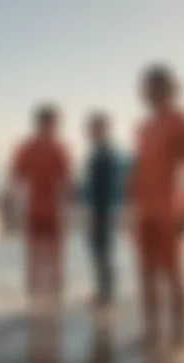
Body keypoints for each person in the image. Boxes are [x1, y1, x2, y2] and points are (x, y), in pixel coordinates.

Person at [128, 64, 184, 360]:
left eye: (155, 87)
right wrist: (129, 208)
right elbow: (139, 169)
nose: (148, 93)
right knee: (145, 273)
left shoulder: (182, 121)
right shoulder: (145, 126)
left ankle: (180, 339)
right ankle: (151, 332)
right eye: (146, 87)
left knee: (173, 275)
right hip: (143, 211)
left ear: (169, 88)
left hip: (170, 208)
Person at [8, 104, 73, 313]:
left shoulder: (26, 147)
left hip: (34, 209)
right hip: (53, 210)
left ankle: (33, 303)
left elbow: (16, 179)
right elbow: (68, 183)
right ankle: (54, 302)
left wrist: (13, 210)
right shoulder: (59, 147)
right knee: (54, 258)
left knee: (35, 258)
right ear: (52, 123)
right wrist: (70, 212)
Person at [83, 112, 118, 309]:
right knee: (100, 252)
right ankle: (103, 292)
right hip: (99, 209)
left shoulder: (104, 153)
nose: (90, 131)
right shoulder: (98, 151)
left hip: (101, 210)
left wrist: (96, 214)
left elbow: (104, 187)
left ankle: (105, 295)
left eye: (93, 127)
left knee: (102, 252)